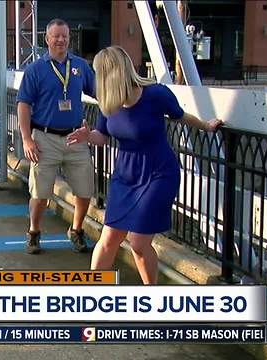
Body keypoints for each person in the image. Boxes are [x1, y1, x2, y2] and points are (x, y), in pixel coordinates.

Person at [66, 46, 223, 284]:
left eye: (99, 73)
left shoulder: (156, 95)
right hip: (124, 176)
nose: (96, 79)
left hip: (158, 173)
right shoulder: (109, 103)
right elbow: (102, 136)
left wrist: (206, 126)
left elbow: (182, 116)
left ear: (112, 74)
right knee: (108, 238)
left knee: (138, 242)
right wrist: (88, 136)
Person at [16, 19, 95, 255]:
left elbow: (99, 92)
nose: (61, 40)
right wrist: (27, 139)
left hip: (75, 137)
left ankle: (76, 230)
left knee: (85, 191)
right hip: (45, 138)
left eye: (64, 36)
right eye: (56, 36)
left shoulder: (80, 66)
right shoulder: (35, 70)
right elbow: (23, 105)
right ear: (47, 39)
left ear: (69, 39)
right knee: (40, 194)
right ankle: (33, 231)